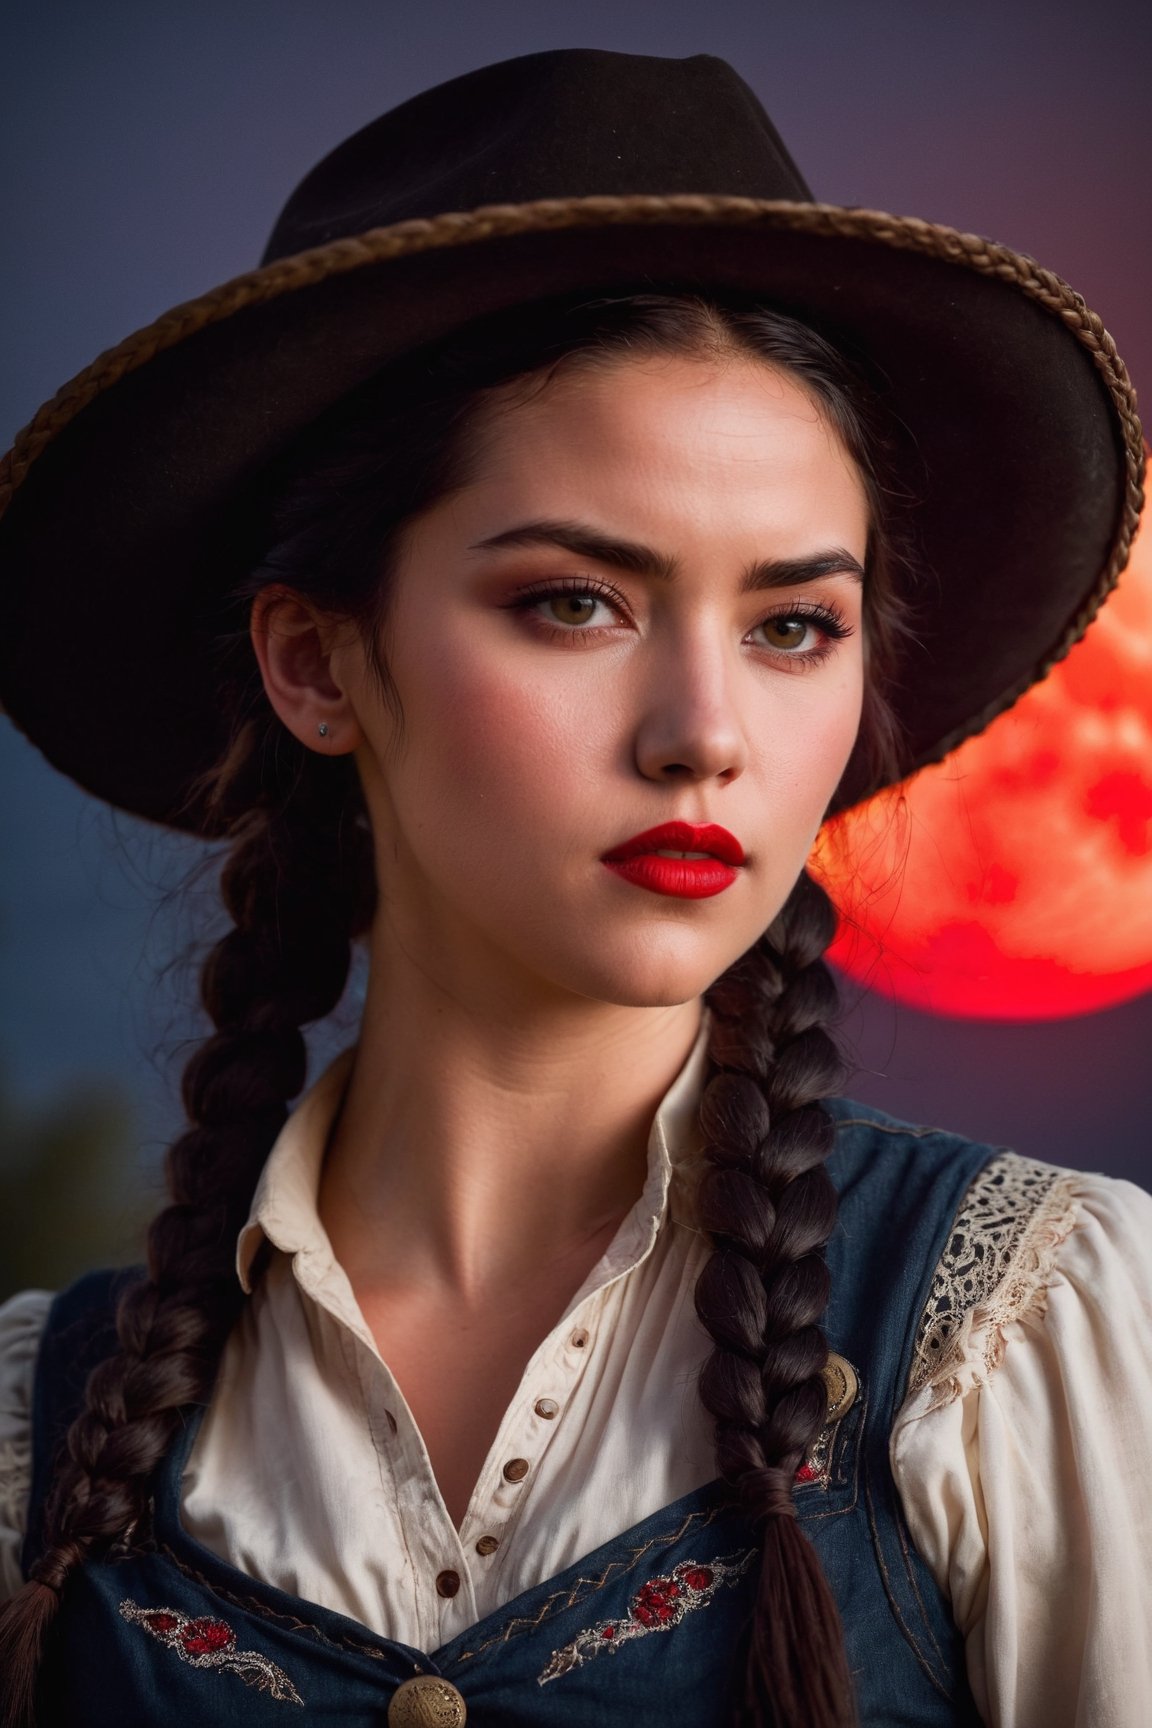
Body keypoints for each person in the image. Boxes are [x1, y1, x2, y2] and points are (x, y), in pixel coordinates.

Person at [0, 46, 1148, 1728]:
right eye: (574, 603)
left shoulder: (1029, 1333)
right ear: (316, 662)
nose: (705, 735)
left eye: (792, 627)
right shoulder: (42, 1430)